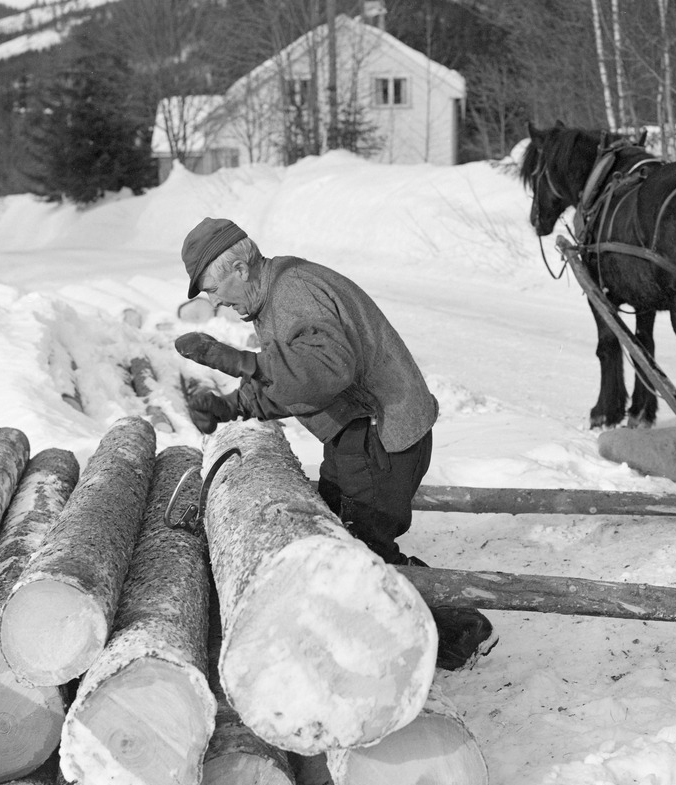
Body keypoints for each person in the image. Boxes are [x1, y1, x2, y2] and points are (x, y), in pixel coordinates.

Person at [174, 216, 496, 671]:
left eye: (212, 289)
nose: (216, 302)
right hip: (358, 434)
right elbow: (293, 380)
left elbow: (325, 371)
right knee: (334, 525)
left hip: (381, 436)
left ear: (240, 269)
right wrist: (234, 404)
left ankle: (457, 634)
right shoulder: (276, 292)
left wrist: (243, 362)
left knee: (363, 551)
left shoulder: (292, 293)